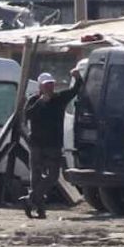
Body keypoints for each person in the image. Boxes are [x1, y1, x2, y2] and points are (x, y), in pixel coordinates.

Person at [22, 66, 82, 218]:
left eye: (51, 84)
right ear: (40, 87)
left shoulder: (59, 98)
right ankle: (40, 209)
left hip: (53, 145)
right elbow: (27, 115)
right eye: (46, 84)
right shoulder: (34, 100)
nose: (50, 87)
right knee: (36, 177)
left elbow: (75, 90)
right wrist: (41, 102)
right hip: (37, 145)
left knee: (53, 177)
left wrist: (77, 76)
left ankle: (31, 199)